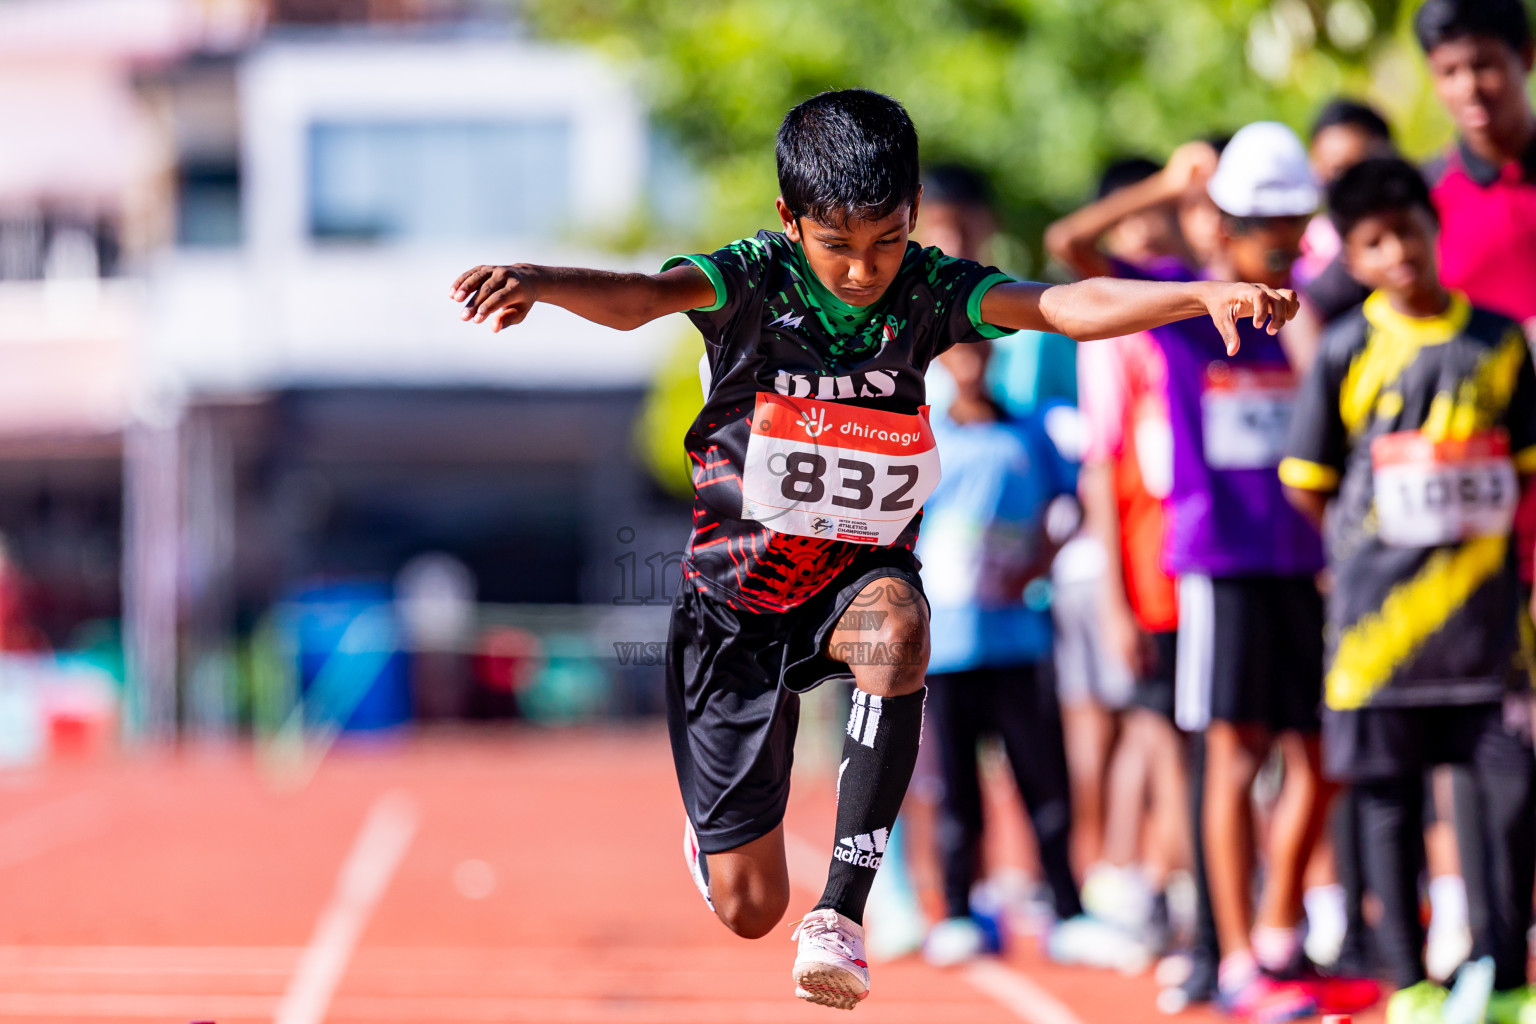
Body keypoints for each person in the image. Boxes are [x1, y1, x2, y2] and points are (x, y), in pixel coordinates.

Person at [448, 88, 1298, 1011]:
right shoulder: (752, 277)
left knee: (898, 623)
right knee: (747, 907)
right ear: (790, 219)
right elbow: (643, 300)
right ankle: (717, 832)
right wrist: (541, 280)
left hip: (856, 575)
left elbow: (1063, 302)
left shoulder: (931, 289)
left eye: (886, 241)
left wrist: (1197, 293)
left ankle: (843, 914)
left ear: (916, 211)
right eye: (838, 245)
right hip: (735, 605)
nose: (863, 270)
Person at [1281, 155, 1536, 1024]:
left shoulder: (1500, 343)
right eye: (1375, 242)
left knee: (1506, 801)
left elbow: (1524, 466)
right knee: (1387, 805)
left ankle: (1505, 980)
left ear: (1435, 227)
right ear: (1353, 256)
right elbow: (1307, 477)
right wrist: (1359, 559)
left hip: (1488, 629)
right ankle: (1408, 982)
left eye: (1409, 232)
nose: (1399, 253)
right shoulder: (1347, 349)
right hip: (1377, 634)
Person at [918, 338, 1144, 972]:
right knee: (956, 788)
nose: (969, 361)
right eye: (955, 352)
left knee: (1044, 782)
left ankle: (1065, 909)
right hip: (945, 647)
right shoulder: (919, 434)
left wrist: (1037, 564)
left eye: (978, 350)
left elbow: (1066, 507)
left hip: (1019, 640)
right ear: (939, 361)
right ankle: (959, 909)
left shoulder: (1031, 430)